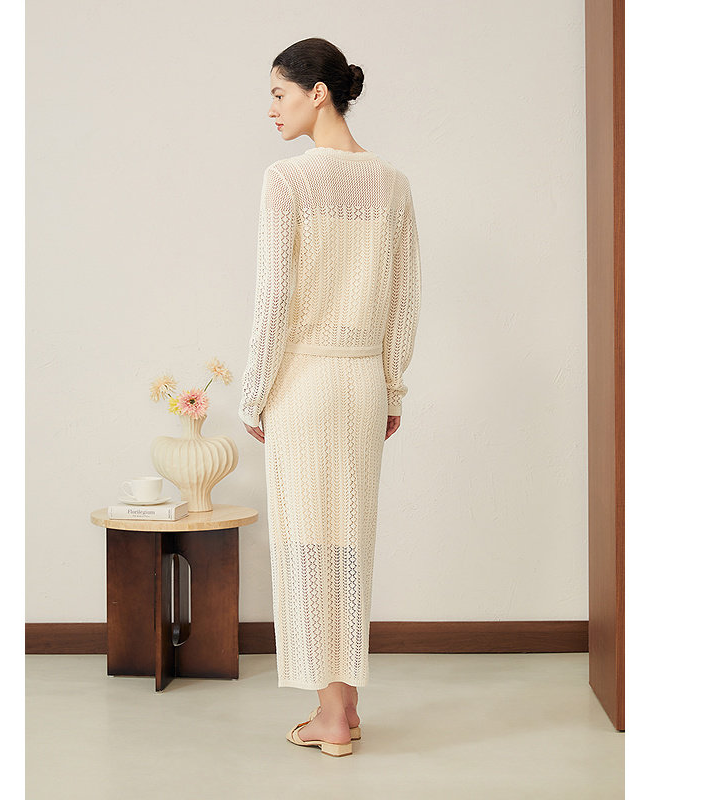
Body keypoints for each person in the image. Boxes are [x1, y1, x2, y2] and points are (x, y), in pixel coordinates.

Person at [238, 37, 422, 757]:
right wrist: (392, 386)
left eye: (279, 93)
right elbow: (404, 301)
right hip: (362, 384)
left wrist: (254, 394)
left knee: (307, 543)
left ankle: (330, 714)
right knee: (350, 541)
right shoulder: (393, 183)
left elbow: (274, 299)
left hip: (304, 382)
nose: (271, 109)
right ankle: (341, 706)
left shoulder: (287, 180)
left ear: (318, 94)